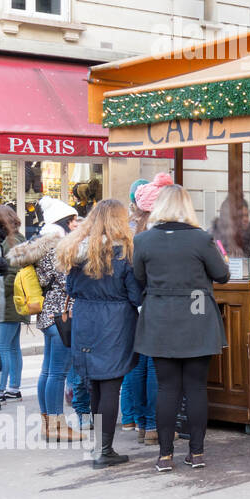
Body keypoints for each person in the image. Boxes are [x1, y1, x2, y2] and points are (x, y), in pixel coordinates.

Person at [133, 185, 229, 472]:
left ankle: (164, 456)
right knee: (196, 388)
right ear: (187, 207)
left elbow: (139, 278)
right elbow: (222, 275)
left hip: (160, 318)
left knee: (167, 388)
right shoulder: (201, 239)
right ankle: (196, 454)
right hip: (197, 315)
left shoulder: (143, 240)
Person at [58, 199, 143, 469]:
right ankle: (104, 450)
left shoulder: (78, 251)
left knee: (95, 384)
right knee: (110, 385)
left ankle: (99, 446)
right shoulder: (123, 252)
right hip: (115, 323)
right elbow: (135, 294)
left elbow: (71, 289)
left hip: (86, 319)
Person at [7, 197, 82, 441]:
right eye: (72, 221)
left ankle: (47, 423)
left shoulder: (42, 244)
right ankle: (57, 425)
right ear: (62, 222)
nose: (75, 224)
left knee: (49, 370)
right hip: (61, 314)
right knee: (58, 372)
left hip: (47, 314)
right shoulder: (57, 247)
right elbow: (66, 282)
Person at [121, 179, 159, 443]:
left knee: (136, 364)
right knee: (154, 364)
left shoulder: (127, 228)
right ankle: (153, 424)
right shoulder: (155, 231)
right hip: (153, 302)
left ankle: (137, 421)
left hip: (130, 303)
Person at [0, 205, 24, 401]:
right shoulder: (20, 238)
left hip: (7, 301)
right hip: (18, 300)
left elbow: (11, 274)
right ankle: (14, 387)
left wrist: (2, 292)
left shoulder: (8, 242)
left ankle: (1, 390)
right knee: (13, 347)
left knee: (3, 348)